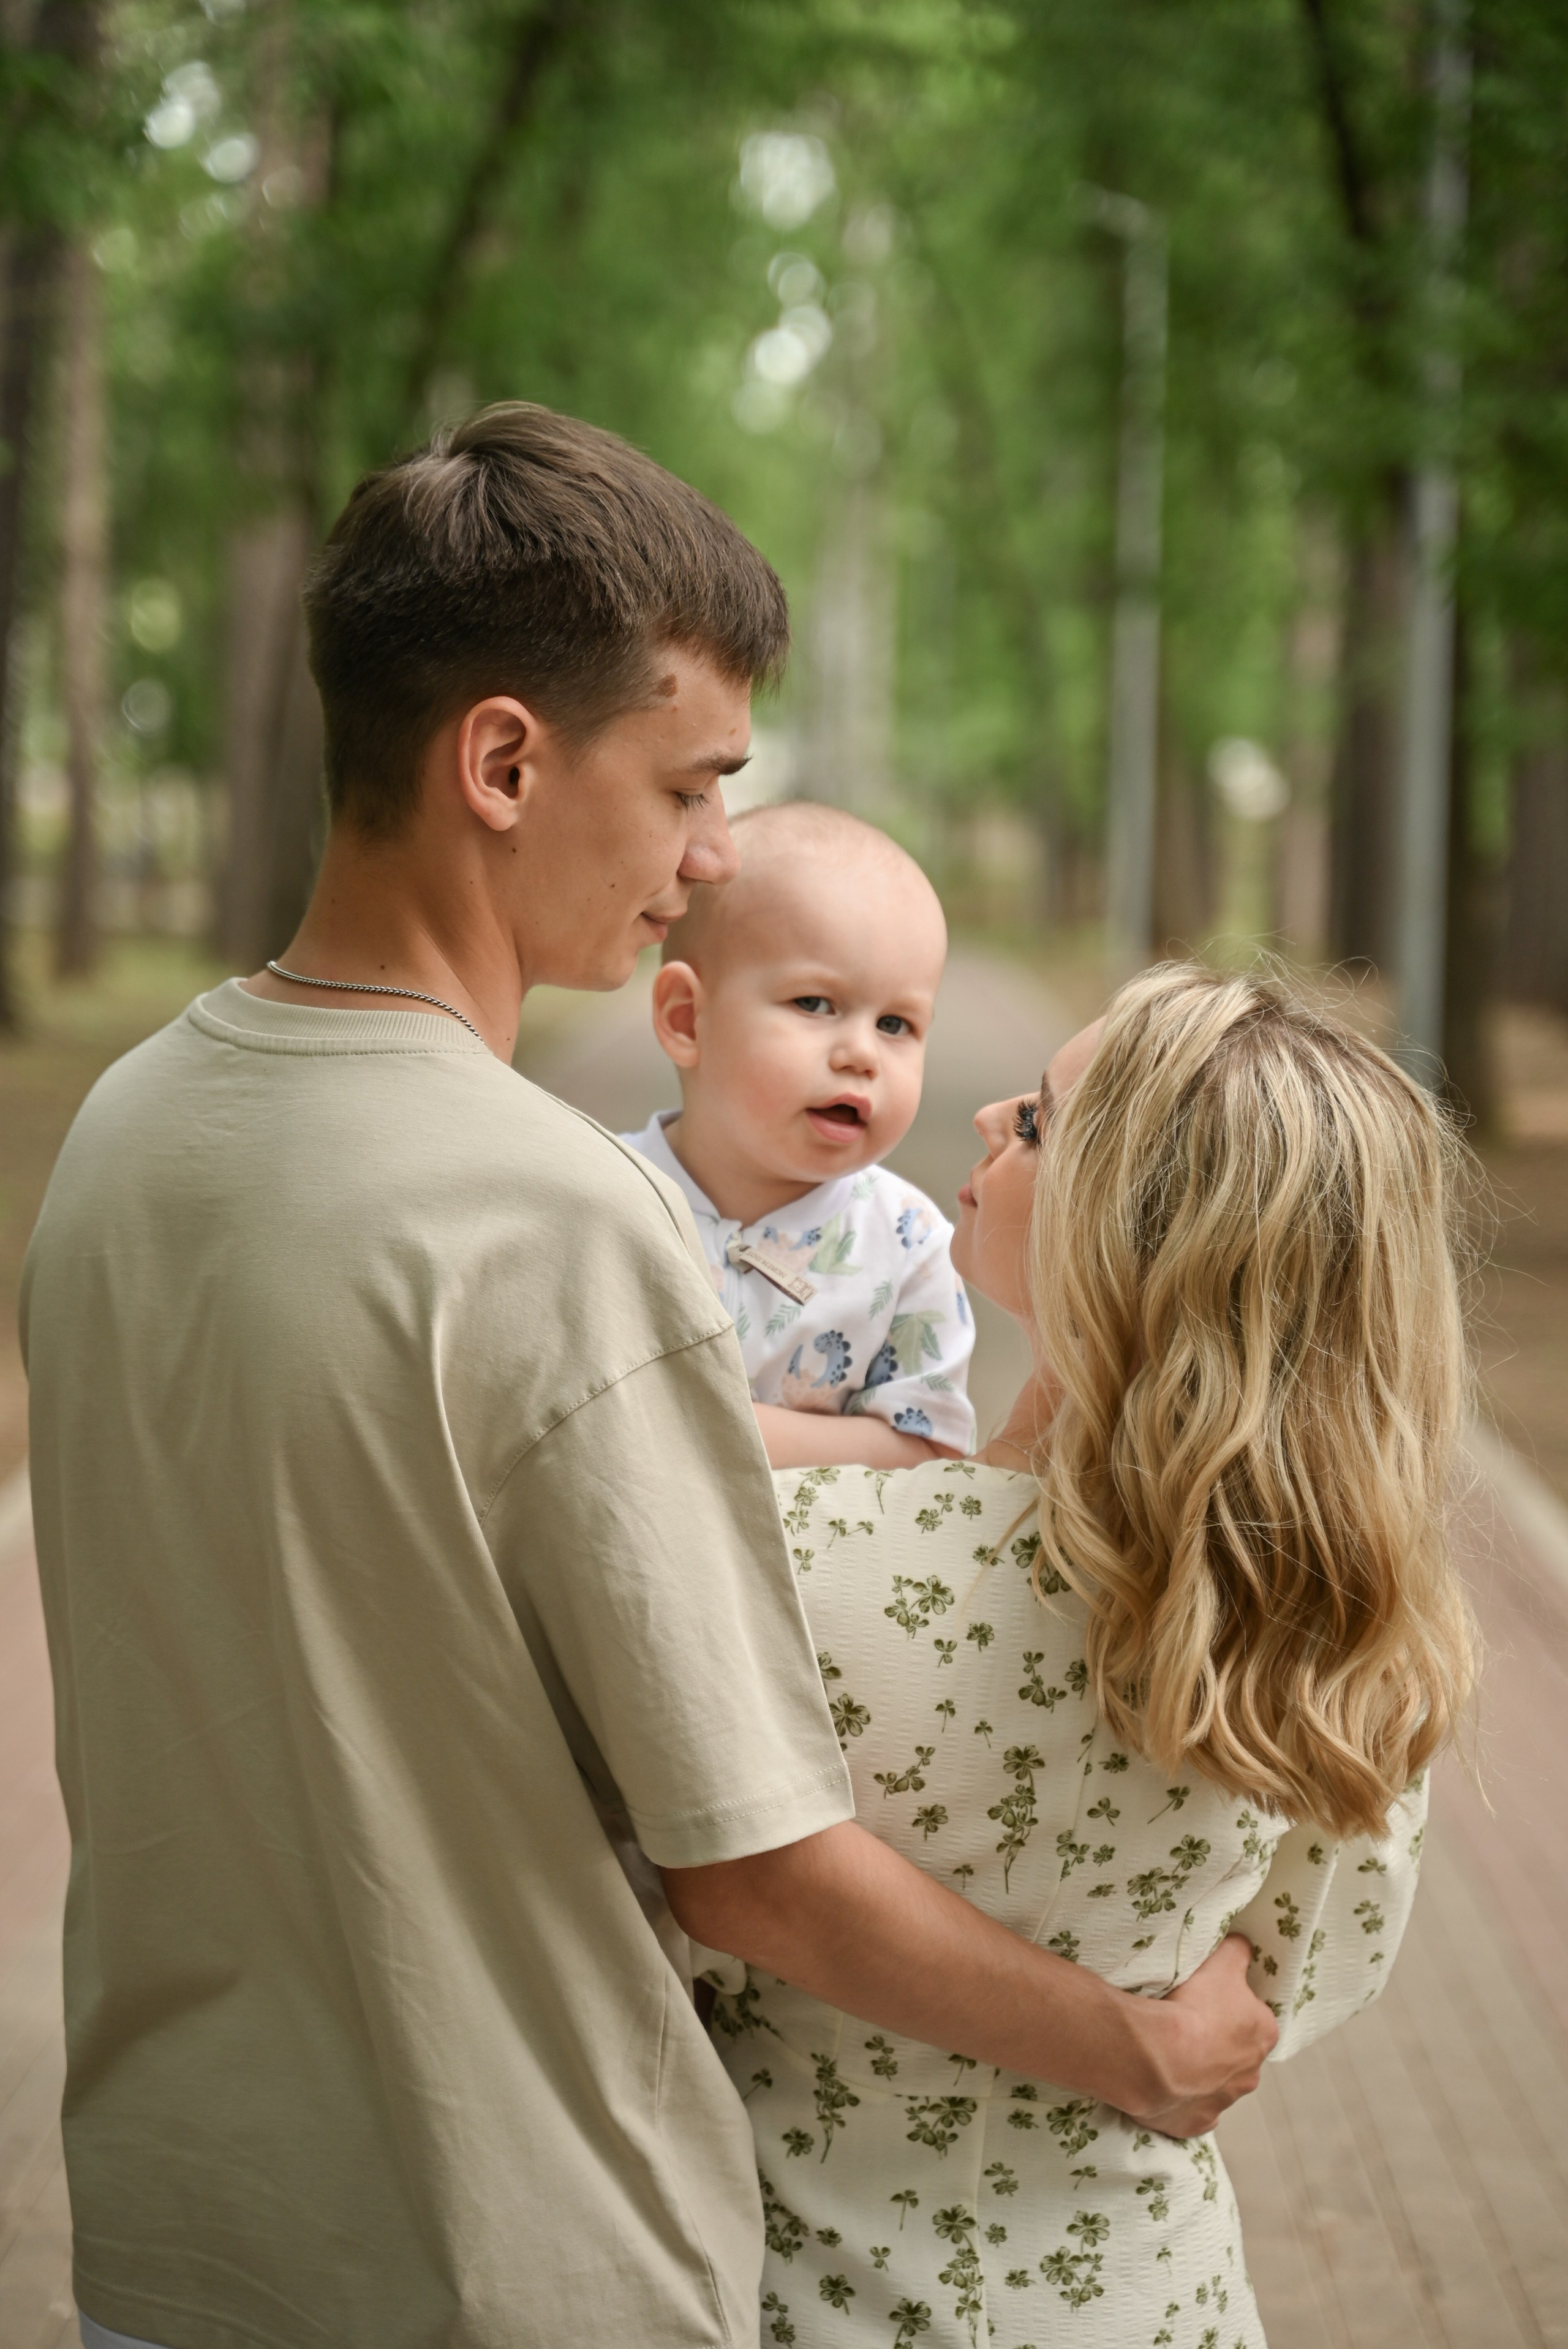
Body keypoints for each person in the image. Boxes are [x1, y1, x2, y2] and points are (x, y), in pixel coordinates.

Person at [21, 408, 1275, 2349]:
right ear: (505, 761)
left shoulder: (119, 1134)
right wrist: (1133, 2044)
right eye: (691, 785)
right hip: (503, 2255)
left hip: (175, 2244)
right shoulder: (553, 1223)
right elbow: (757, 1865)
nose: (707, 861)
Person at [711, 963, 1477, 2348]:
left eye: (1044, 1121)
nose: (989, 1110)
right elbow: (1285, 1976)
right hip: (1152, 2296)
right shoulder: (1348, 1627)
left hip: (801, 2288)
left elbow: (671, 1904)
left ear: (1121, 1231)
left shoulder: (792, 1551)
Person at [621, 801, 976, 1468]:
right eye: (815, 1004)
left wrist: (719, 1431)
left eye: (896, 1024)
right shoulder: (601, 1198)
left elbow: (930, 1448)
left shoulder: (908, 1244)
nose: (862, 1054)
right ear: (687, 1019)